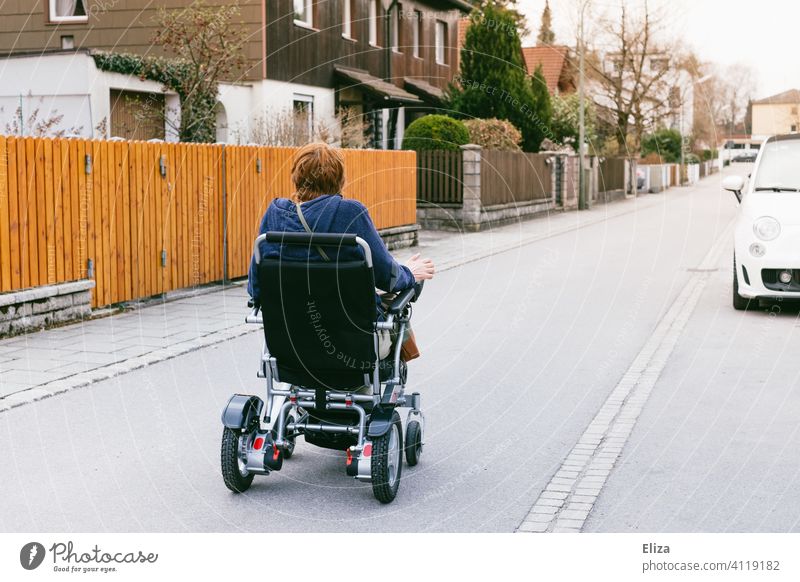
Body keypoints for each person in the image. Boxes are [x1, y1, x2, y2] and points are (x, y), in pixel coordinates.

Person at [247, 142, 435, 358]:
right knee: (391, 302)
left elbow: (256, 290)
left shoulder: (274, 215)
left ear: (296, 177)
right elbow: (387, 277)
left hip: (289, 345)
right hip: (353, 347)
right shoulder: (350, 213)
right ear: (340, 179)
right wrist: (410, 272)